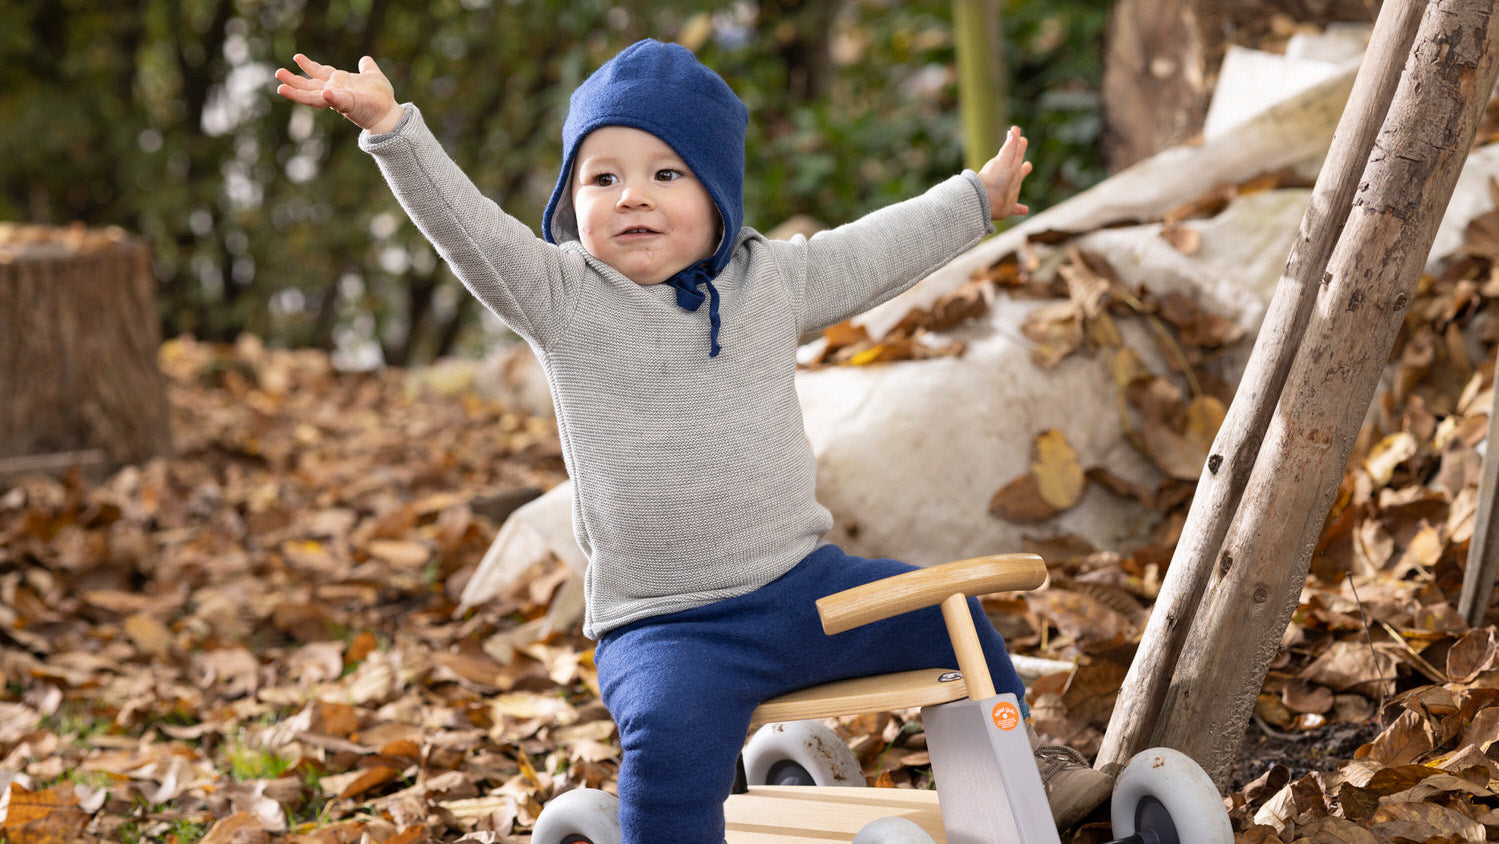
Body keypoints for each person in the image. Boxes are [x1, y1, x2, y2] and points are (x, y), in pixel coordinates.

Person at [275, 39, 1110, 842]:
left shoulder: (768, 282)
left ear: (718, 194)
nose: (632, 196)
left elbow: (873, 250)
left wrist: (974, 200)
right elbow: (471, 232)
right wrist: (392, 131)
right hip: (665, 627)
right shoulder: (563, 298)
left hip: (801, 590)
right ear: (572, 202)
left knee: (949, 616)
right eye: (603, 178)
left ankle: (1016, 782)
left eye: (666, 174)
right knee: (670, 748)